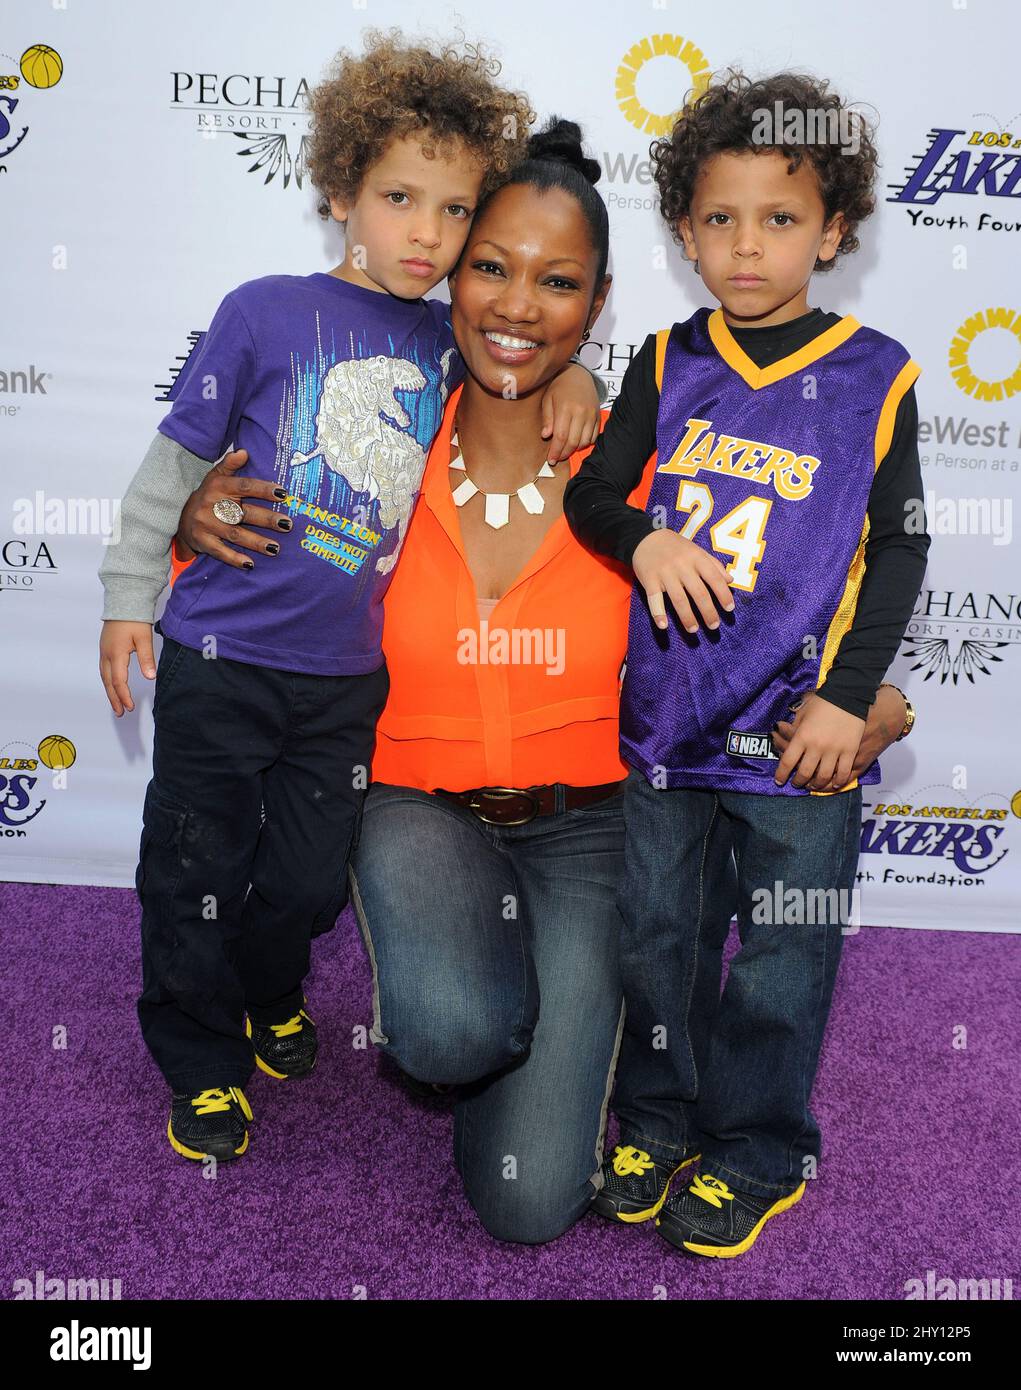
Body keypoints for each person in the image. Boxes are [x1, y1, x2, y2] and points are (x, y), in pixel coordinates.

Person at [175, 115, 912, 1243]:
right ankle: (482, 989)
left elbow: (799, 585)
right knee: (453, 1032)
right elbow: (234, 575)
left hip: (595, 828)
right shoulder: (375, 437)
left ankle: (577, 1018)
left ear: (597, 302)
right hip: (419, 807)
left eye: (556, 282)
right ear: (450, 275)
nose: (519, 307)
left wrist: (874, 697)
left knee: (529, 1203)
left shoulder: (660, 459)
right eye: (492, 268)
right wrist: (194, 516)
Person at [96, 33, 600, 1165]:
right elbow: (173, 466)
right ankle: (201, 1054)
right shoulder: (262, 310)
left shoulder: (451, 334)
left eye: (454, 207)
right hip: (220, 656)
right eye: (398, 198)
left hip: (343, 686)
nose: (427, 231)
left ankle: (272, 988)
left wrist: (577, 371)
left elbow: (529, 358)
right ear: (339, 194)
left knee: (309, 879)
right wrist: (133, 594)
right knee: (194, 862)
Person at [564, 69, 927, 1257]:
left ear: (832, 230)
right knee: (656, 939)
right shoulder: (668, 362)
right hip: (668, 719)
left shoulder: (879, 374)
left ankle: (759, 1147)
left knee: (781, 953)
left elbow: (896, 553)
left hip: (799, 738)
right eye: (719, 218)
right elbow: (595, 496)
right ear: (682, 232)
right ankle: (655, 1118)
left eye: (780, 219)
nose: (748, 245)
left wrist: (842, 698)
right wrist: (646, 533)